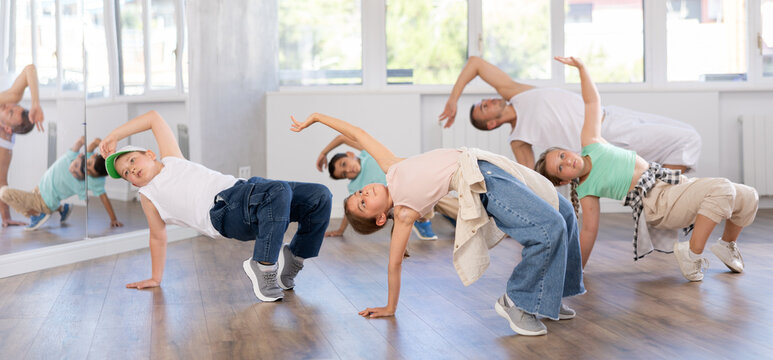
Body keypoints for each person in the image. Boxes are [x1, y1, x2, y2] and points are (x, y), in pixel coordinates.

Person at [291, 113, 584, 336]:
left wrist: (316, 118)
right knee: (549, 227)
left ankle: (551, 295)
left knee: (564, 212)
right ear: (381, 218)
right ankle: (517, 301)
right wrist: (390, 307)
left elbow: (356, 132)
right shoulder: (405, 214)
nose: (364, 193)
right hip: (484, 182)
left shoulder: (390, 166)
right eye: (363, 204)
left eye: (359, 194)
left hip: (487, 164)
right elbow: (393, 265)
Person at [534, 56, 758, 282]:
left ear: (567, 150)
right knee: (722, 188)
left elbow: (592, 102)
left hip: (673, 184)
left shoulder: (592, 142)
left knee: (748, 196)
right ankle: (691, 253)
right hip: (658, 204)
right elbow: (589, 231)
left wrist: (582, 68)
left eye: (562, 155)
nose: (567, 162)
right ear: (563, 181)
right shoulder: (586, 189)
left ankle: (727, 245)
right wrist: (576, 271)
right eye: (561, 168)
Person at [100, 110, 332, 302]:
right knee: (279, 189)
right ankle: (263, 265)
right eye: (126, 173)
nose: (131, 170)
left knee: (319, 196)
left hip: (245, 189)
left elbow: (153, 118)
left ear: (150, 154)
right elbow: (157, 237)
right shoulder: (148, 195)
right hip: (223, 214)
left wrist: (114, 135)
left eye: (132, 161)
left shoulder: (173, 158)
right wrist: (155, 278)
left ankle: (294, 259)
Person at [438, 56, 701, 172]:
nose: (489, 100)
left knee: (683, 138)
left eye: (484, 100)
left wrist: (453, 100)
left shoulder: (516, 92)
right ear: (493, 122)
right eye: (485, 107)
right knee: (688, 139)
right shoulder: (518, 139)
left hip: (614, 115)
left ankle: (660, 201)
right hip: (606, 138)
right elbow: (530, 180)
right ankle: (661, 203)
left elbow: (475, 62)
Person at [316, 134, 459, 239]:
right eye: (344, 174)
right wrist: (341, 230)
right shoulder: (357, 189)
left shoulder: (368, 155)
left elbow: (343, 137)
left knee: (453, 203)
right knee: (425, 197)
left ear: (350, 154)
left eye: (344, 164)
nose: (348, 171)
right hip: (404, 201)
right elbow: (351, 211)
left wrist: (324, 152)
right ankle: (422, 220)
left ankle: (452, 215)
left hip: (414, 181)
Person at [0, 136, 123, 230]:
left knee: (4, 193)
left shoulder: (95, 182)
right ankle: (62, 208)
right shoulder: (84, 156)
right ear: (94, 155)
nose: (87, 169)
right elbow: (95, 141)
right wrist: (105, 150)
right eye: (89, 164)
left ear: (96, 176)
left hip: (45, 201)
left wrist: (114, 219)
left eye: (91, 172)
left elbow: (105, 199)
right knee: (24, 200)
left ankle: (39, 213)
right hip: (40, 188)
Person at [0, 64, 46, 227]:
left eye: (11, 113)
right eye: (15, 107)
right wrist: (35, 103)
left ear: (7, 128)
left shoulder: (4, 148)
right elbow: (30, 69)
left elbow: (1, 182)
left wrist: (5, 217)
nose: (9, 105)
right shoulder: (4, 102)